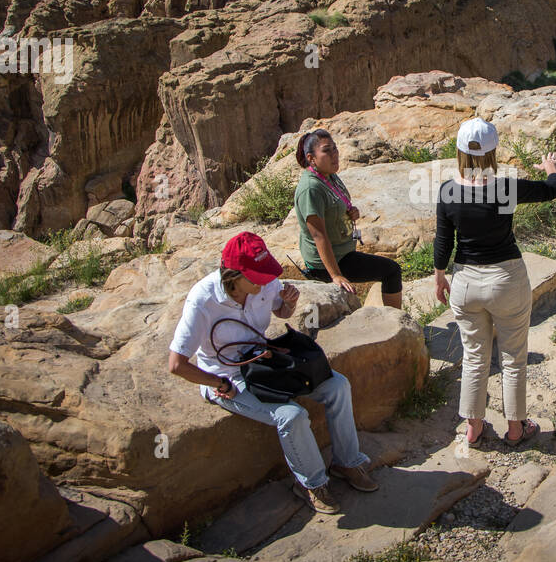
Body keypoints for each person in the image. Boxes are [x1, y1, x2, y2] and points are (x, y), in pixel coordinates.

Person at [168, 231, 378, 516]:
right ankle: (311, 484)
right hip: (228, 375)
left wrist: (289, 304)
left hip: (264, 363)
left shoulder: (265, 283)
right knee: (291, 416)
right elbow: (177, 364)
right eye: (257, 276)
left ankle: (347, 462)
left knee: (337, 386)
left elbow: (281, 313)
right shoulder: (203, 300)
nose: (266, 281)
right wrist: (218, 383)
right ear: (233, 276)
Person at [433, 118, 556, 447]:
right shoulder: (505, 188)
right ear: (494, 152)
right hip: (506, 279)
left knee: (475, 357)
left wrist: (439, 276)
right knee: (513, 358)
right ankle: (516, 429)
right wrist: (551, 167)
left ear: (459, 151)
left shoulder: (448, 191)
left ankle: (473, 429)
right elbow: (553, 189)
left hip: (465, 282)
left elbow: (443, 240)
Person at [294, 129, 403, 308]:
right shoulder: (310, 189)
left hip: (342, 251)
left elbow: (338, 203)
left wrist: (351, 211)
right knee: (391, 271)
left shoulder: (329, 176)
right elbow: (318, 236)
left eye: (335, 149)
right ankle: (396, 322)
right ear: (311, 158)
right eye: (327, 150)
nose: (334, 154)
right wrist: (335, 275)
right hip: (328, 263)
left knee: (389, 270)